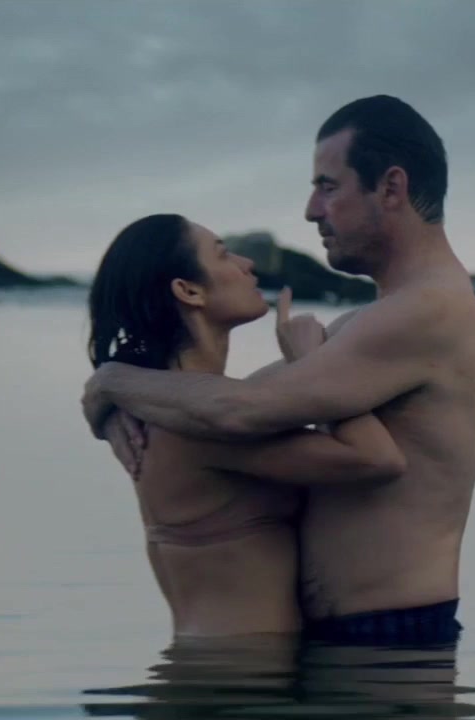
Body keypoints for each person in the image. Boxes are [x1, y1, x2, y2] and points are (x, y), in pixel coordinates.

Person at [84, 94, 475, 647]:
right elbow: (221, 403)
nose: (310, 210)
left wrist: (110, 381)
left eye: (327, 186)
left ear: (391, 188)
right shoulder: (371, 324)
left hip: (391, 640)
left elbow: (241, 410)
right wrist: (115, 402)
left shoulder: (426, 311)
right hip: (344, 644)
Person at [86, 213, 407, 639]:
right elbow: (377, 459)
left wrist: (107, 384)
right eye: (223, 255)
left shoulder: (183, 404)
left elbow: (264, 395)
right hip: (240, 670)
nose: (247, 264)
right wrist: (313, 361)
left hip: (220, 663)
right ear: (189, 291)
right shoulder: (197, 422)